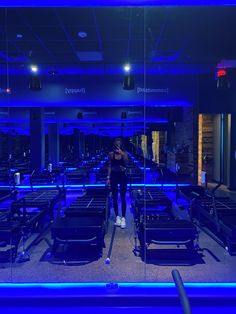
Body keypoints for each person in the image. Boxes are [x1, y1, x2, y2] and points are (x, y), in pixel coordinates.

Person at [107, 138, 128, 229]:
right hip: (113, 176)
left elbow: (127, 162)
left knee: (123, 197)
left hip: (122, 175)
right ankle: (117, 217)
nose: (117, 146)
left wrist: (122, 153)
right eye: (116, 144)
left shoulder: (125, 153)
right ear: (114, 145)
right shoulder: (111, 154)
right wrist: (108, 177)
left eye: (119, 144)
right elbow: (109, 166)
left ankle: (123, 217)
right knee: (115, 197)